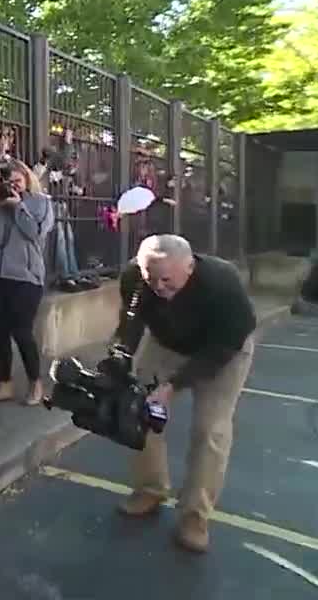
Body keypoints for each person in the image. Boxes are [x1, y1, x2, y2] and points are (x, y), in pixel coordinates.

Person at [114, 234, 256, 553]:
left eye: (168, 280)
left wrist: (172, 386)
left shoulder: (222, 284)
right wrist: (120, 356)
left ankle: (195, 515)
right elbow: (132, 322)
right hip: (166, 344)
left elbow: (224, 348)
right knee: (139, 410)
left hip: (221, 351)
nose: (160, 287)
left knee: (210, 429)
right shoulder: (135, 278)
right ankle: (150, 488)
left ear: (189, 267)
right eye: (152, 279)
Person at [0, 157, 55, 406]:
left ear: (28, 179)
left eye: (18, 181)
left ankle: (35, 382)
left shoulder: (41, 203)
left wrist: (18, 206)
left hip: (26, 277)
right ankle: (4, 383)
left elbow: (34, 233)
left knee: (21, 331)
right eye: (9, 182)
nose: (13, 186)